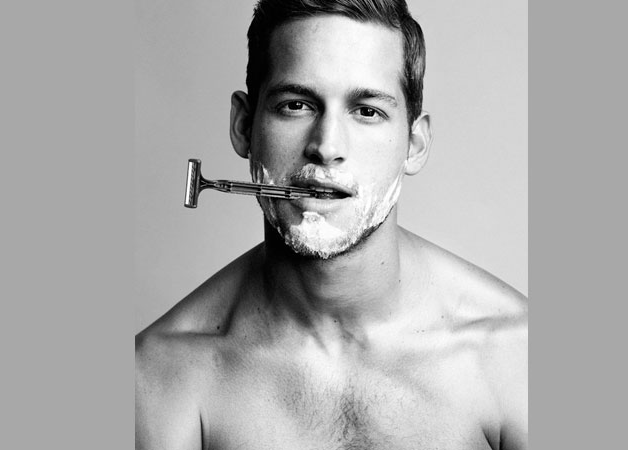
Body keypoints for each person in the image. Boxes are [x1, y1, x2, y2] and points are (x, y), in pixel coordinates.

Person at [135, 0, 528, 449]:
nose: (327, 147)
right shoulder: (160, 377)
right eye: (296, 105)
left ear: (414, 144)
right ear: (244, 126)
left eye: (367, 111)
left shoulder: (517, 356)